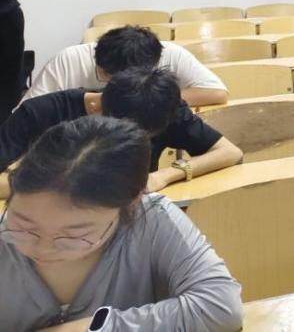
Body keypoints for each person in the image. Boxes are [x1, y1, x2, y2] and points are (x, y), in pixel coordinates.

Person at [0, 116, 243, 330]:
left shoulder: (150, 219)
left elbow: (220, 306)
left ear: (130, 204)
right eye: (23, 226)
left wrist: (92, 328)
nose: (43, 250)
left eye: (72, 237)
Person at [0, 67, 243, 199]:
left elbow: (230, 152)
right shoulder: (40, 112)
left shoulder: (163, 107)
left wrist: (164, 176)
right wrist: (67, 183)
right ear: (99, 109)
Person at [24, 25, 229, 107]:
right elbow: (26, 111)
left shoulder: (170, 54)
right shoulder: (69, 59)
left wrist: (150, 98)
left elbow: (216, 93)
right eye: (105, 76)